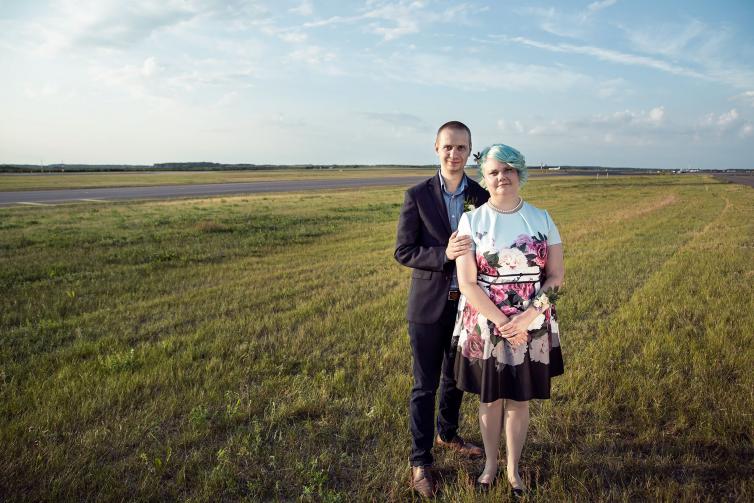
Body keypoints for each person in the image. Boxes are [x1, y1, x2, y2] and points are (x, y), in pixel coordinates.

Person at [451, 144, 565, 496]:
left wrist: (529, 316)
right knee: (489, 399)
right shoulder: (472, 220)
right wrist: (502, 321)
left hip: (533, 321)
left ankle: (514, 470)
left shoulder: (542, 218)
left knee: (519, 399)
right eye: (494, 172)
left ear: (520, 173)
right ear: (484, 178)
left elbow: (556, 277)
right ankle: (490, 464)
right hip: (487, 321)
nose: (502, 177)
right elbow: (467, 282)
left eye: (508, 170)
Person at [394, 121, 489, 497]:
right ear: (436, 148)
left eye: (462, 148)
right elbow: (404, 251)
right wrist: (442, 255)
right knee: (425, 384)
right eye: (448, 147)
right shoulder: (417, 195)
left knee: (456, 378)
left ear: (469, 151)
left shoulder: (481, 196)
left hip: (468, 306)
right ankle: (421, 462)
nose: (454, 154)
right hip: (428, 305)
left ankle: (447, 434)